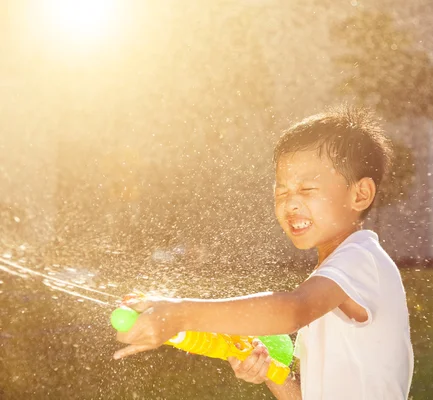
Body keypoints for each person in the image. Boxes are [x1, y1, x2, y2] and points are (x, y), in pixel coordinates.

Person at [113, 105, 414, 400]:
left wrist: (179, 314)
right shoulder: (331, 283)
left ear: (360, 194)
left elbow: (292, 310)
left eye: (307, 189)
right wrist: (272, 371)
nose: (290, 204)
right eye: (281, 192)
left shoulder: (362, 259)